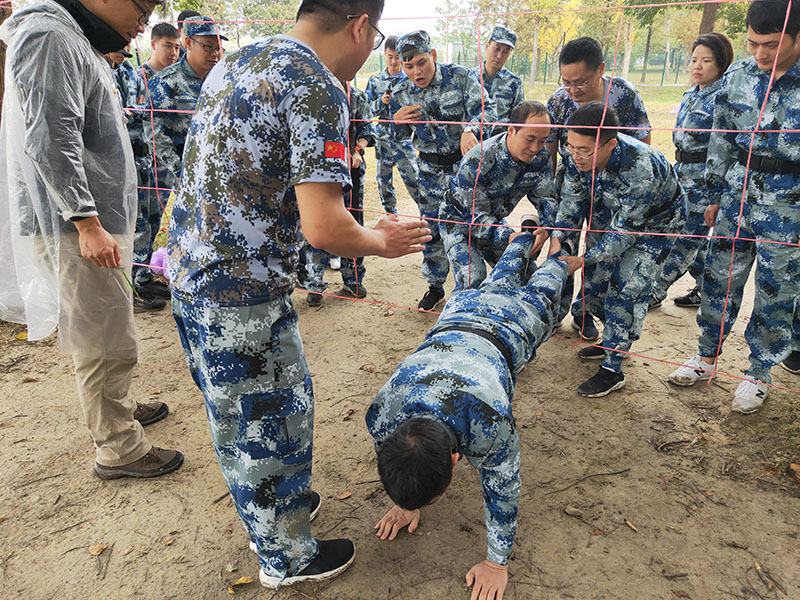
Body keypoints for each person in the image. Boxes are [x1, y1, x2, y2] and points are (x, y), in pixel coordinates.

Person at [168, 0, 431, 589]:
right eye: (378, 36)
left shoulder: (238, 61)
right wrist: (380, 243)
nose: (374, 51)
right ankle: (284, 557)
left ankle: (278, 510)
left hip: (193, 273)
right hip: (241, 291)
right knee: (271, 418)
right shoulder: (317, 85)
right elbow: (325, 227)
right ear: (361, 25)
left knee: (237, 415)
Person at [0, 0, 183, 478]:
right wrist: (85, 222)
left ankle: (116, 407)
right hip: (77, 225)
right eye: (142, 6)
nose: (146, 18)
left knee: (108, 324)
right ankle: (118, 448)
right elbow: (50, 138)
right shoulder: (49, 37)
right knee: (101, 333)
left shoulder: (71, 35)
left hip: (92, 219)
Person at [367, 232, 579, 600]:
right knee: (504, 273)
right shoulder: (382, 414)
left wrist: (497, 564)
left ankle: (557, 249)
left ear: (454, 459)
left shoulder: (488, 422)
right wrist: (406, 503)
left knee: (547, 282)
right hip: (463, 308)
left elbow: (504, 488)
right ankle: (526, 239)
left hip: (515, 322)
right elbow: (398, 460)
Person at [669, 0, 800, 414]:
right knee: (720, 277)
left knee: (776, 290)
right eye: (753, 43)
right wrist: (712, 193)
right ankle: (706, 356)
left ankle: (759, 373)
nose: (761, 54)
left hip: (790, 200)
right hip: (736, 192)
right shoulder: (740, 76)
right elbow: (722, 138)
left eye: (773, 44)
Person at [551, 102, 686, 397]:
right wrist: (559, 240)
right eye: (571, 146)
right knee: (597, 279)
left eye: (584, 150)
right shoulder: (577, 155)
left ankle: (613, 368)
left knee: (627, 288)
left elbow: (626, 231)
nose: (576, 155)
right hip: (615, 209)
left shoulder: (640, 168)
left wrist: (584, 257)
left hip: (656, 224)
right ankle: (607, 342)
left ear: (610, 144)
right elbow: (571, 204)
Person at [547, 37, 652, 342]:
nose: (573, 89)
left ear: (600, 70)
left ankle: (584, 312)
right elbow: (551, 149)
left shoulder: (624, 95)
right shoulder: (559, 101)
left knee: (599, 250)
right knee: (562, 241)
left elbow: (642, 144)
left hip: (610, 187)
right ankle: (554, 310)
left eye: (580, 81)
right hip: (571, 180)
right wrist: (554, 189)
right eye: (566, 81)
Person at [389, 30, 497, 310]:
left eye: (421, 63)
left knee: (475, 223)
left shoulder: (459, 77)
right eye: (408, 66)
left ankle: (489, 284)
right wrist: (395, 122)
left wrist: (470, 129)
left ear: (433, 55)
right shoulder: (401, 92)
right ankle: (435, 286)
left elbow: (487, 109)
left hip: (464, 168)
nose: (416, 71)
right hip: (429, 172)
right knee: (431, 228)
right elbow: (397, 138)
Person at [649, 33, 734, 311]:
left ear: (721, 64)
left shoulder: (724, 98)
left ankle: (656, 290)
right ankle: (706, 287)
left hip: (705, 181)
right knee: (692, 238)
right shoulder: (691, 95)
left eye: (706, 61)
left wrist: (717, 192)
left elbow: (726, 148)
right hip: (681, 174)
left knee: (686, 240)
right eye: (694, 60)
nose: (698, 66)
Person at [440, 101, 557, 290]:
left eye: (542, 141)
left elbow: (547, 199)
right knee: (473, 278)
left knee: (524, 275)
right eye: (530, 139)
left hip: (492, 221)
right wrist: (510, 237)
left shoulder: (541, 158)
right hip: (459, 221)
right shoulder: (479, 159)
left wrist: (545, 230)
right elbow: (475, 218)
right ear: (511, 130)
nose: (535, 147)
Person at [303, 82, 376, 306]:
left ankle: (353, 279)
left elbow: (367, 130)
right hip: (319, 174)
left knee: (353, 223)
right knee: (318, 223)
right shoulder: (313, 93)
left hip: (351, 173)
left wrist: (357, 149)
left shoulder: (357, 96)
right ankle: (314, 284)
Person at [149, 15, 225, 194]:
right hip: (184, 178)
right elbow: (155, 135)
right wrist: (182, 174)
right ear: (189, 43)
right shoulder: (165, 82)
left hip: (218, 173)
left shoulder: (221, 81)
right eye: (208, 47)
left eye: (217, 48)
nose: (214, 53)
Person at [364, 35, 421, 215]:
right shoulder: (375, 81)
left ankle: (426, 215)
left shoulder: (410, 80)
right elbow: (366, 112)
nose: (394, 61)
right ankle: (391, 214)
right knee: (383, 181)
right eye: (390, 56)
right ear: (384, 55)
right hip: (383, 140)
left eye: (397, 57)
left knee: (414, 179)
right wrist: (381, 102)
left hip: (404, 140)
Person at [473, 25, 523, 134]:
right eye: (496, 48)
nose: (499, 56)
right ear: (487, 47)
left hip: (500, 142)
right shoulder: (470, 78)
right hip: (472, 140)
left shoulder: (514, 83)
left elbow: (517, 120)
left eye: (506, 51)